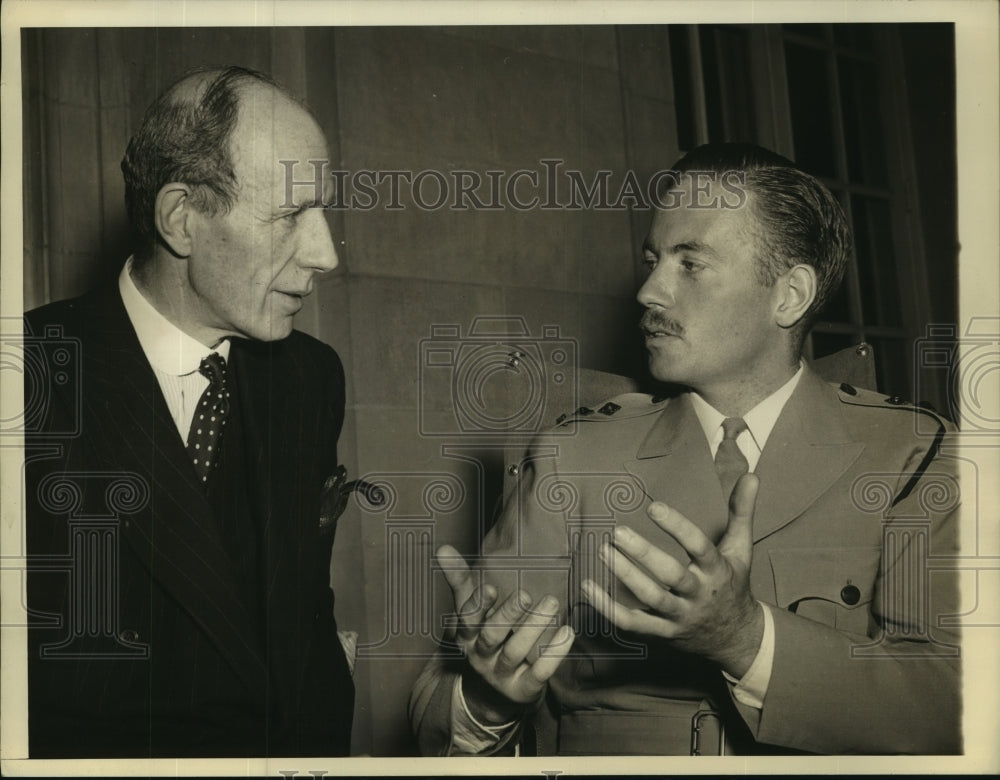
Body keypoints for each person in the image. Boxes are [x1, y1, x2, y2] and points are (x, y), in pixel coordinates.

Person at [409, 143, 961, 756]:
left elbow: (952, 705)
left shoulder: (912, 455)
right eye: (652, 260)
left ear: (790, 295)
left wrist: (744, 638)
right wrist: (486, 702)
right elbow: (437, 710)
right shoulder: (574, 458)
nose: (649, 291)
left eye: (690, 264)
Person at [24, 66, 354, 758]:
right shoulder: (26, 375)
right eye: (291, 216)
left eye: (322, 212)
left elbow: (304, 625)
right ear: (181, 218)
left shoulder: (311, 378)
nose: (325, 254)